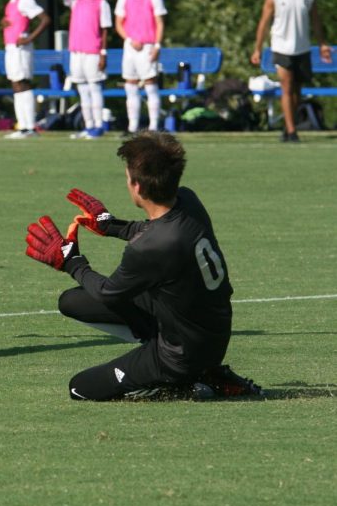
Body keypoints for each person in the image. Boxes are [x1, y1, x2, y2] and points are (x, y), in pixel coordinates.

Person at [25, 132, 263, 401]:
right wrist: (111, 225)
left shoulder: (150, 247)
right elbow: (155, 228)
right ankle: (194, 367)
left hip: (180, 354)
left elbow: (108, 292)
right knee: (72, 301)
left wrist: (72, 261)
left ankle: (193, 380)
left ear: (137, 186)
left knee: (79, 388)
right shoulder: (188, 202)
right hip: (202, 329)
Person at [251, 0, 331, 143]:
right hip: (281, 47)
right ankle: (292, 130)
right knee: (286, 88)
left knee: (297, 90)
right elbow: (264, 22)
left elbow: (316, 21)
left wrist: (322, 44)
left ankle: (289, 125)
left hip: (302, 48)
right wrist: (257, 48)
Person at [55, 0, 112, 139]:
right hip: (76, 52)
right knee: (82, 91)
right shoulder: (75, 0)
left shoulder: (101, 3)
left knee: (95, 89)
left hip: (93, 52)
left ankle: (99, 125)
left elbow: (105, 30)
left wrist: (103, 53)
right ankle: (88, 126)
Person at [114, 0, 167, 134]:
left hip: (148, 46)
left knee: (151, 84)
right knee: (131, 84)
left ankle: (153, 126)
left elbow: (159, 22)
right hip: (130, 47)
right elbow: (119, 23)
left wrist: (157, 46)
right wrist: (129, 40)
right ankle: (133, 126)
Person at [1, 0, 51, 139]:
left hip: (22, 49)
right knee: (16, 84)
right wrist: (5, 23)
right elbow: (14, 21)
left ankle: (30, 126)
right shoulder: (11, 3)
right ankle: (22, 126)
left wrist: (29, 37)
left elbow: (45, 19)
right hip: (11, 48)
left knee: (23, 83)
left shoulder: (26, 0)